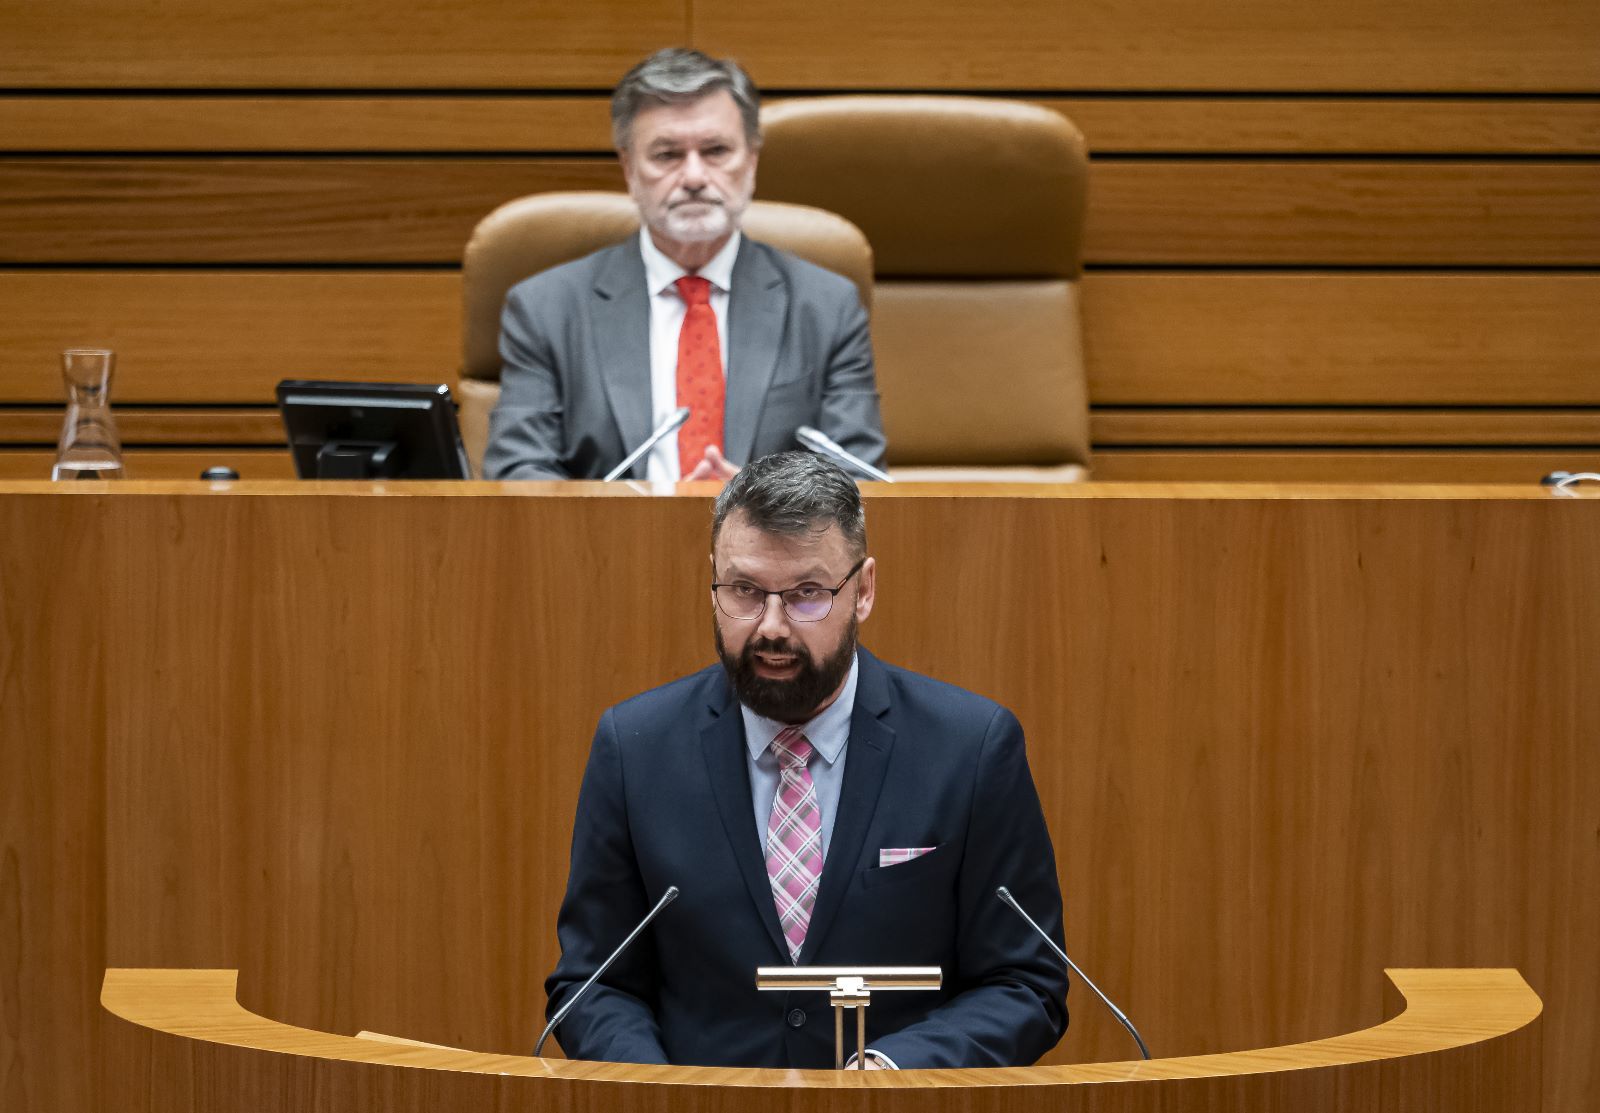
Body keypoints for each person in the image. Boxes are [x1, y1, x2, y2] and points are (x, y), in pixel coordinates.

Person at [545, 452, 1068, 1068]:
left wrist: (891, 1076)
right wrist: (667, 1096)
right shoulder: (635, 748)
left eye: (806, 595)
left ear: (864, 590)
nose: (771, 627)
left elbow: (1027, 983)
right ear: (711, 578)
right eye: (744, 590)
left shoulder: (971, 749)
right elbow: (593, 982)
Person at [483, 49, 887, 482]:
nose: (694, 177)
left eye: (715, 151)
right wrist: (643, 518)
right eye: (667, 155)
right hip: (612, 548)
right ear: (628, 168)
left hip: (777, 548)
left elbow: (857, 479)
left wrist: (758, 514)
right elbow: (518, 475)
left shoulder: (826, 306)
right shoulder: (546, 309)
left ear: (751, 160)